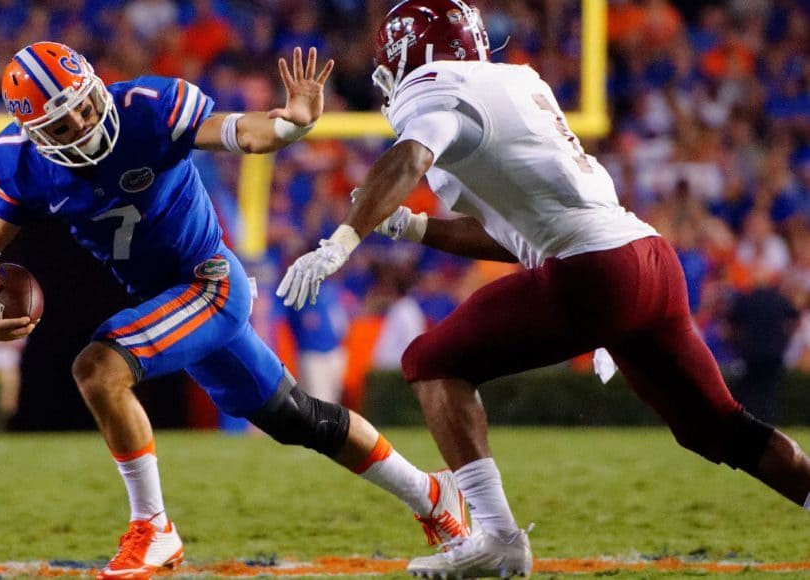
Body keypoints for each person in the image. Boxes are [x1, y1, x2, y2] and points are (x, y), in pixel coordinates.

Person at [276, 1, 810, 578]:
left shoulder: (435, 85)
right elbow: (520, 238)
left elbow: (410, 155)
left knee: (431, 362)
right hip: (649, 261)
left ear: (415, 53)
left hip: (595, 272)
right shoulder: (516, 81)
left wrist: (341, 242)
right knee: (716, 427)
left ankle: (499, 537)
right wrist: (414, 225)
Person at [0, 41, 471, 580]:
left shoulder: (147, 109)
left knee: (97, 369)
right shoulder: (20, 164)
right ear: (34, 136)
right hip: (166, 301)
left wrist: (290, 126)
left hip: (209, 284)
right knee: (296, 417)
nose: (81, 122)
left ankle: (153, 529)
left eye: (84, 103)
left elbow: (241, 131)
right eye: (61, 124)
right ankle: (432, 495)